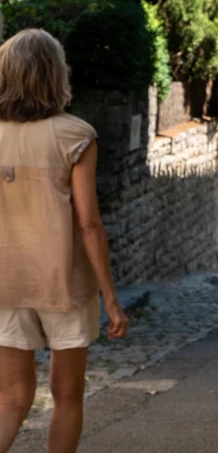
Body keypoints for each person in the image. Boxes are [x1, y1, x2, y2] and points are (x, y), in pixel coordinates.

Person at [0, 29, 129, 453]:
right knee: (67, 396)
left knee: (11, 398)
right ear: (56, 74)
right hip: (65, 285)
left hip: (6, 284)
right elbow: (88, 223)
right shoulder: (75, 135)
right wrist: (110, 297)